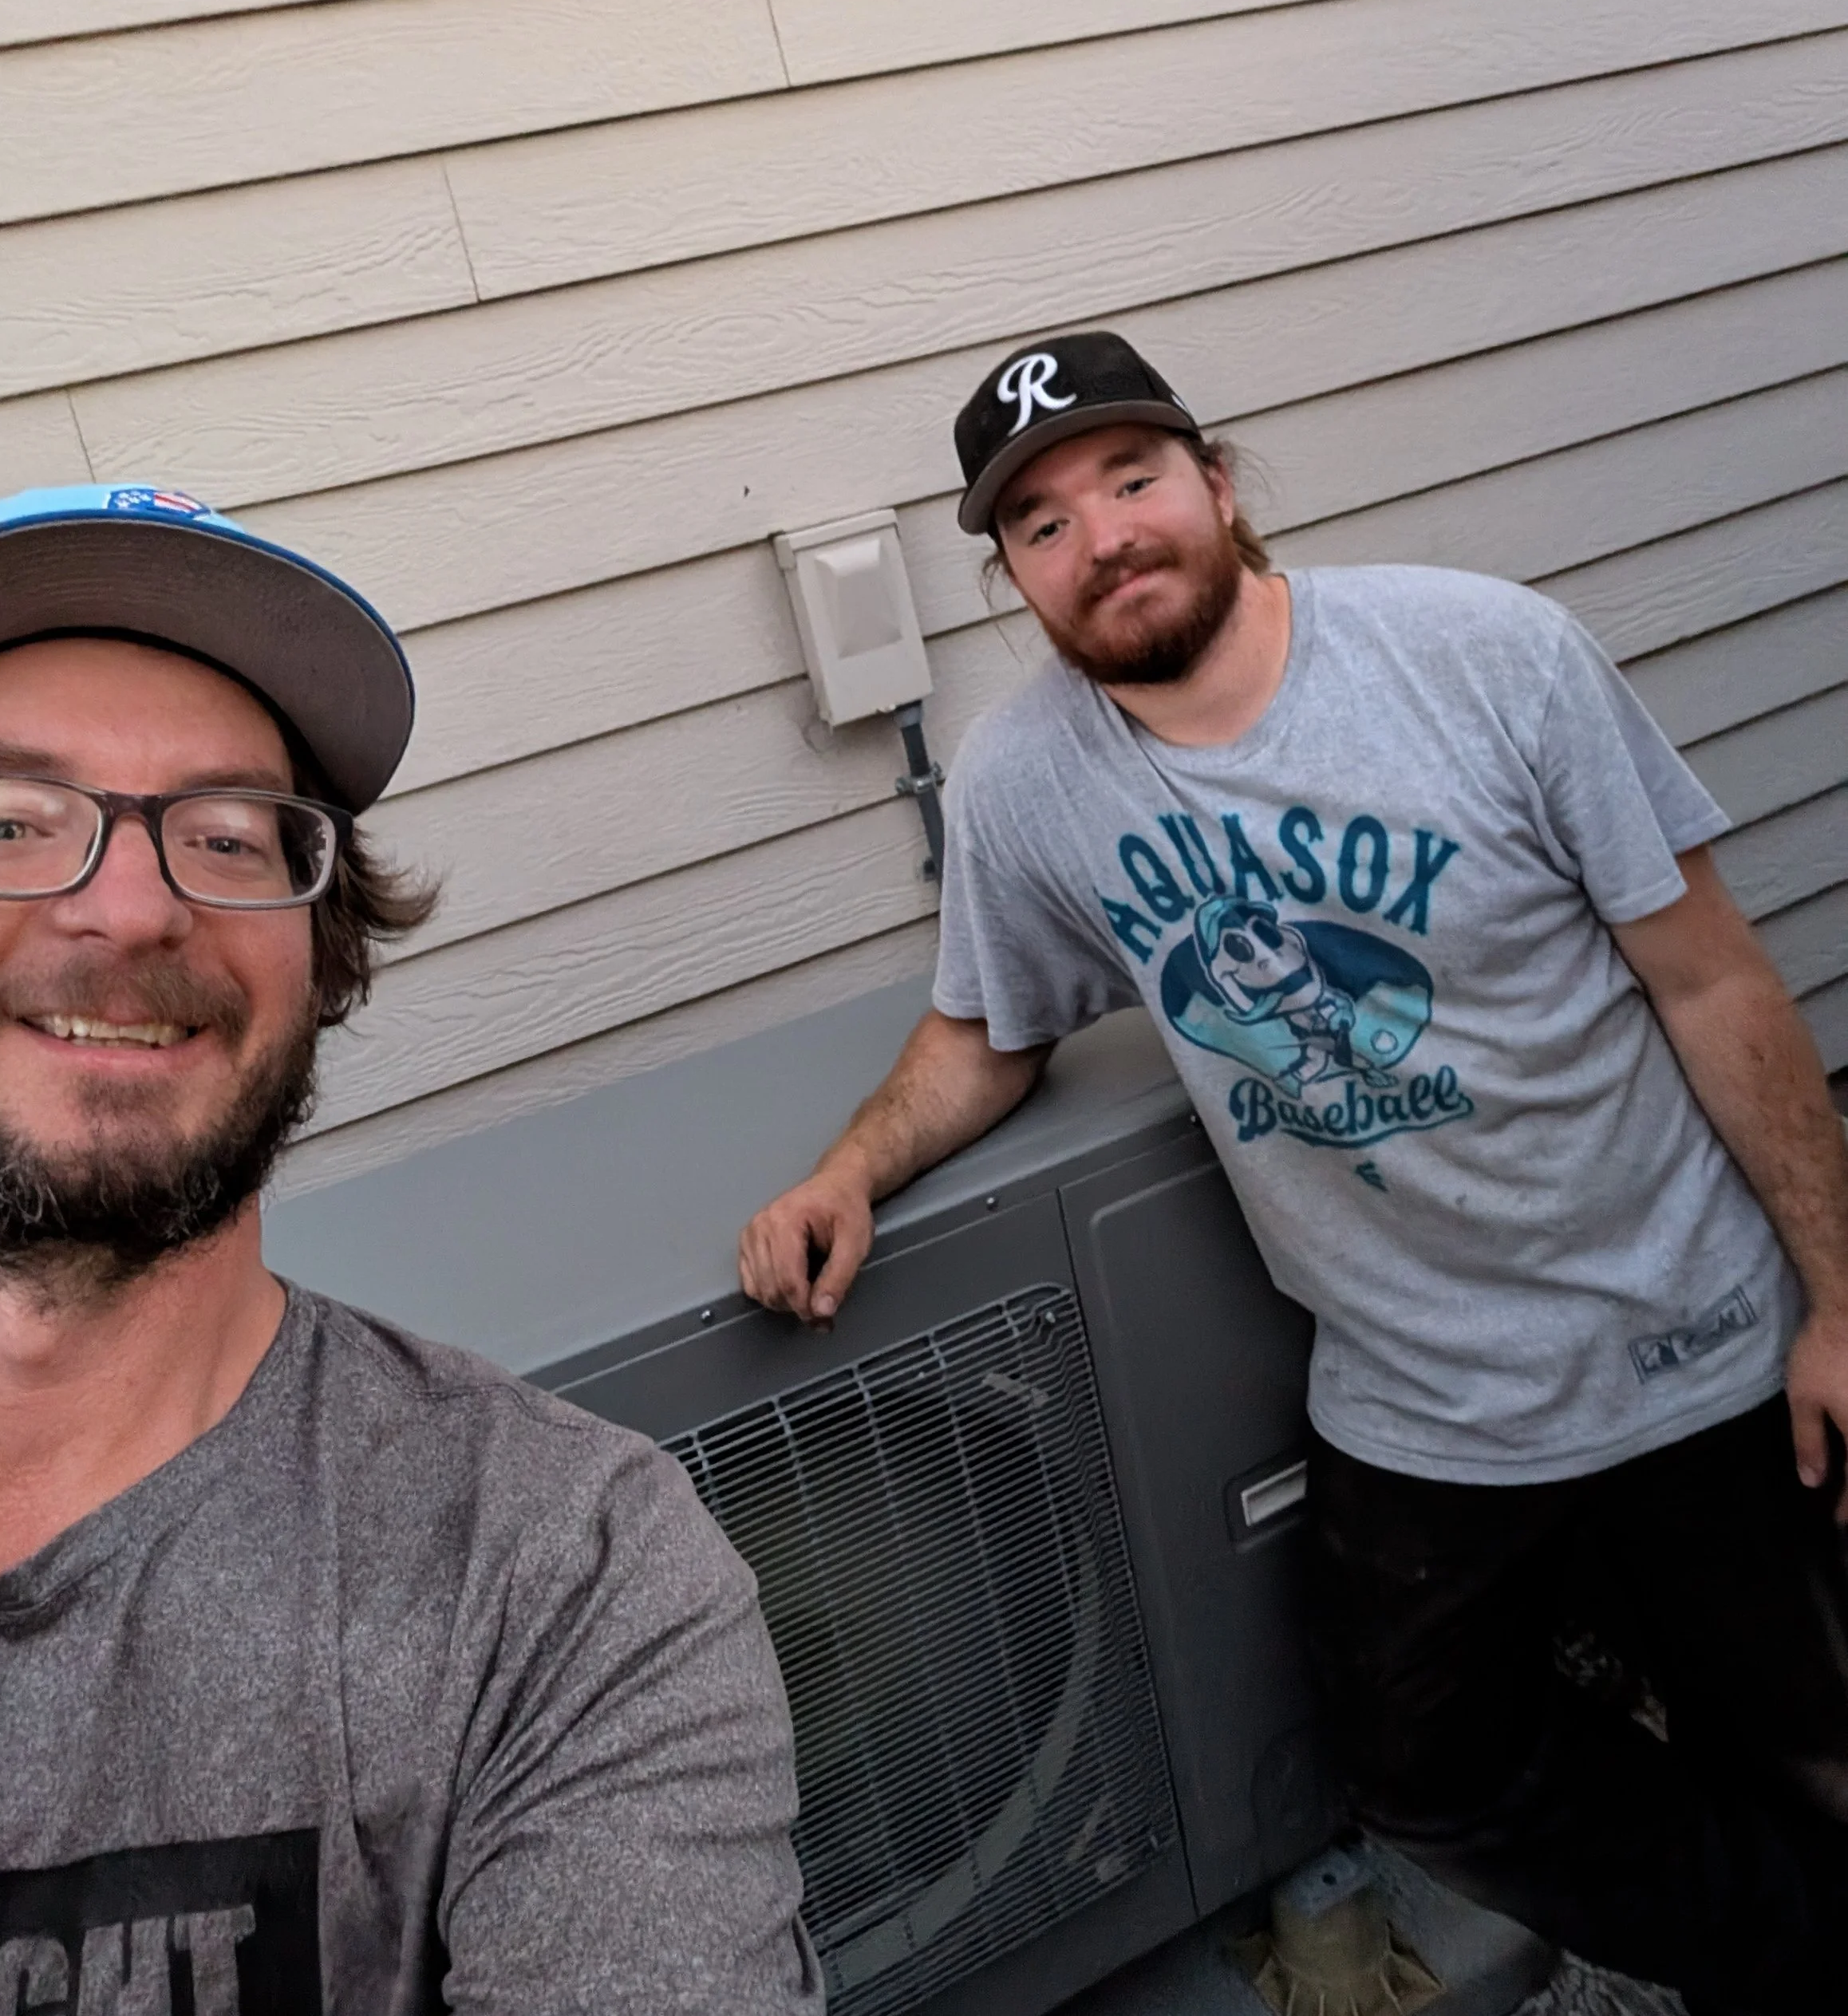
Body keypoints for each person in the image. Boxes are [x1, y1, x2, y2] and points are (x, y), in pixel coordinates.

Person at [738, 329, 1848, 2014]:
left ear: (1216, 481)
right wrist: (846, 1176)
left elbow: (1710, 980)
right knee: (1432, 1779)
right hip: (1412, 1400)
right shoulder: (1029, 786)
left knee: (1808, 1750)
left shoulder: (1484, 657)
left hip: (1685, 1336)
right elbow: (984, 1031)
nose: (1099, 534)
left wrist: (1837, 1295)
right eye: (1038, 521)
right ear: (1011, 580)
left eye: (1129, 477)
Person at [0, 483, 817, 2014]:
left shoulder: (565, 1576)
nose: (128, 907)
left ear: (321, 967)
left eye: (228, 839)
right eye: (11, 823)